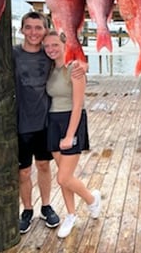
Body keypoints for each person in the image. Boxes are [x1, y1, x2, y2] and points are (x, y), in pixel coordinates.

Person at [43, 31, 101, 239]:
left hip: (71, 121)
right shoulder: (49, 68)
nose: (51, 49)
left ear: (64, 44)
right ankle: (71, 214)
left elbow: (78, 105)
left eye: (55, 45)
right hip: (52, 122)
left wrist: (69, 135)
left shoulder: (74, 68)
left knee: (63, 177)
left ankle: (91, 199)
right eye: (47, 46)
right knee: (64, 177)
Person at [13, 11, 60, 234]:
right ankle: (27, 209)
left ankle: (46, 205)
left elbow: (70, 60)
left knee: (43, 165)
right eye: (29, 27)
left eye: (38, 28)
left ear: (45, 30)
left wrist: (81, 66)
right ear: (22, 29)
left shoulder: (49, 54)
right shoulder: (12, 54)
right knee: (23, 172)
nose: (33, 32)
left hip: (44, 122)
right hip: (19, 123)